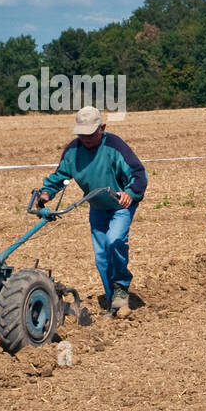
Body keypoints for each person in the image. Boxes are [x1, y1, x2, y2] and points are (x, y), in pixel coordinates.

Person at [37, 105, 147, 315]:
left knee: (114, 240)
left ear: (102, 128)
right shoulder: (73, 151)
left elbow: (138, 173)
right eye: (81, 134)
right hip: (97, 207)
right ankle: (113, 302)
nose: (85, 138)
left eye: (89, 134)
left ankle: (121, 288)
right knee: (101, 257)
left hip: (120, 205)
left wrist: (130, 193)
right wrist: (46, 193)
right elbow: (60, 176)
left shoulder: (115, 146)